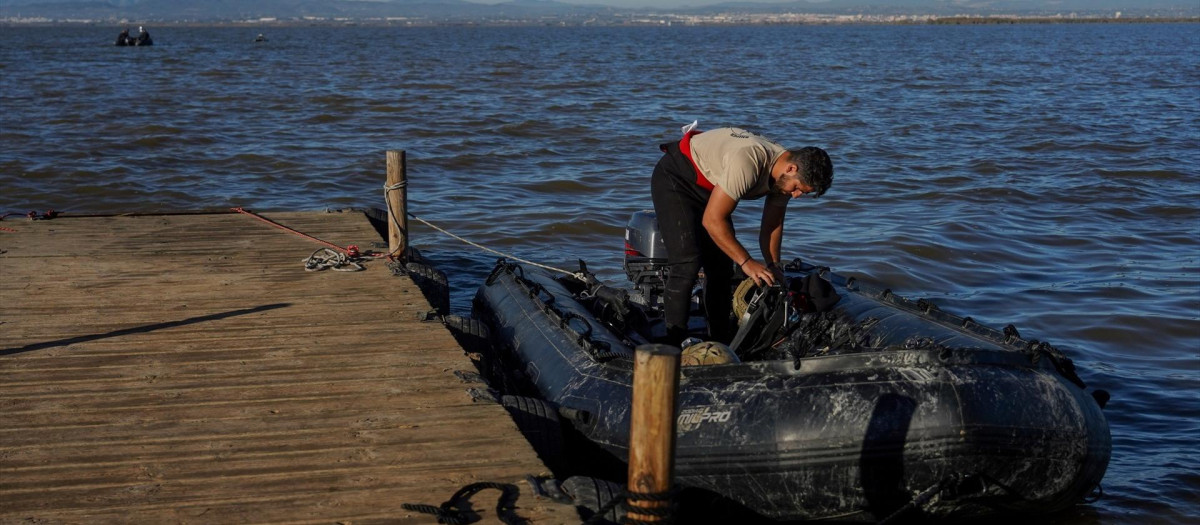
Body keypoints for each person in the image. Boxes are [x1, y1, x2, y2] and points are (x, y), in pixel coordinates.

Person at [650, 124, 833, 346]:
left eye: (801, 193)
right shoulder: (749, 161)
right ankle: (673, 343)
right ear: (792, 168)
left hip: (711, 188)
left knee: (721, 267)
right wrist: (746, 262)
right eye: (798, 189)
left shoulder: (783, 175)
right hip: (677, 178)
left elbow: (772, 224)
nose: (795, 196)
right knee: (688, 261)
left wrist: (773, 264)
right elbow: (712, 220)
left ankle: (720, 340)